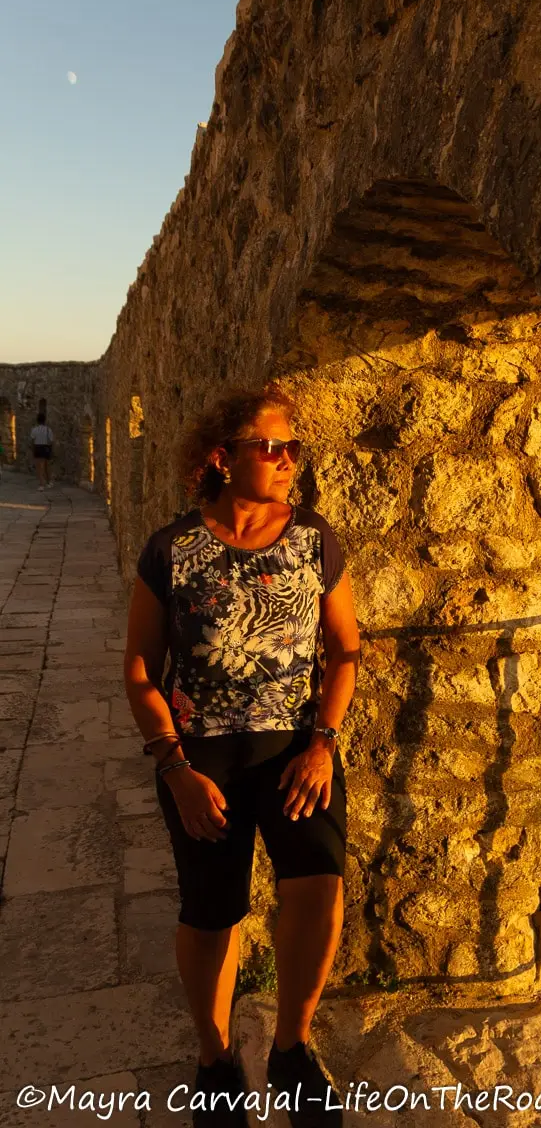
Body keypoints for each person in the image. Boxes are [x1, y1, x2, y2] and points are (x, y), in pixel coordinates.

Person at [124, 384, 360, 1127]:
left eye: (295, 448)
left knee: (318, 886)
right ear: (223, 458)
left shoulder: (315, 539)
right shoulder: (172, 549)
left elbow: (346, 649)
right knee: (212, 910)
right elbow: (139, 668)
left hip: (296, 750)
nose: (290, 461)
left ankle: (291, 1048)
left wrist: (323, 742)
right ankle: (216, 1059)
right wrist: (175, 768)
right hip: (203, 763)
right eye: (273, 447)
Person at [30, 412, 54, 490]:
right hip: (46, 448)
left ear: (37, 420)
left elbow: (32, 440)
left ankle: (41, 484)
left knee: (39, 467)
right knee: (47, 466)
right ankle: (49, 482)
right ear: (44, 420)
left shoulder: (34, 430)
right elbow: (51, 440)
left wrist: (32, 449)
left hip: (37, 448)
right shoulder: (48, 429)